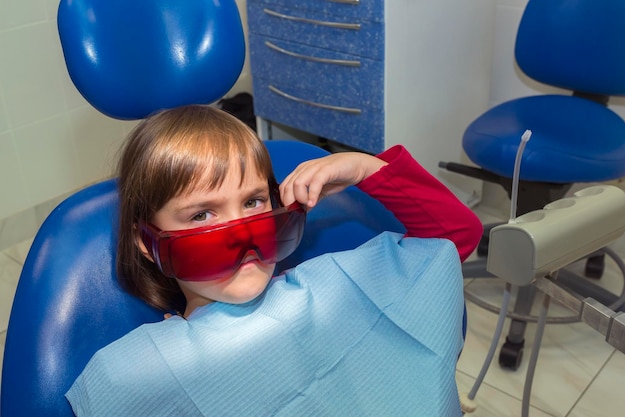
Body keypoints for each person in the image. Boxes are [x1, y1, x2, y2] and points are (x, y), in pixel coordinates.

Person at [66, 104, 482, 416]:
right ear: (146, 241)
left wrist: (364, 168)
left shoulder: (335, 286)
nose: (242, 231)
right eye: (201, 214)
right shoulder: (140, 372)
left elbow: (454, 238)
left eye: (253, 202)